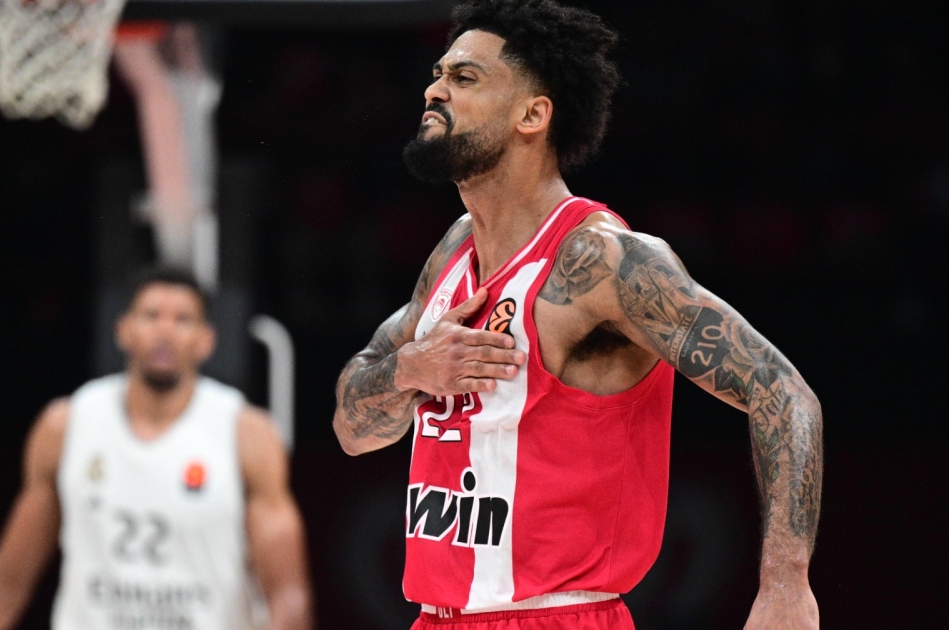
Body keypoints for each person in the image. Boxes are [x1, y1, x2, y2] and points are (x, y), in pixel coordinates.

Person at [331, 1, 823, 628]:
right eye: (437, 74)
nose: (434, 90)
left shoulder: (604, 262)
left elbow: (782, 392)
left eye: (464, 77)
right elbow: (351, 430)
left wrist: (785, 582)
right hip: (436, 617)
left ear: (533, 115)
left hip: (558, 615)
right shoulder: (454, 250)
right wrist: (409, 370)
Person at [0, 268, 312, 630]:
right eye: (151, 315)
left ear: (206, 340)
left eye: (182, 320)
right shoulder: (67, 425)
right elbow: (7, 579)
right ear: (123, 330)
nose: (165, 331)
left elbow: (287, 594)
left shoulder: (245, 433)